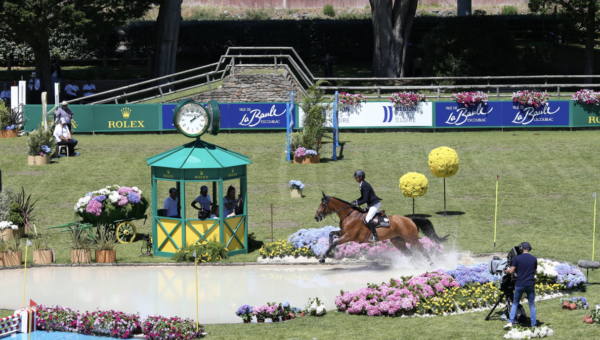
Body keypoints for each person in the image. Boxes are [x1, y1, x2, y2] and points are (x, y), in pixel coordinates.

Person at [504, 242, 537, 330]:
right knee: (532, 305)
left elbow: (511, 271)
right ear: (529, 249)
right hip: (530, 284)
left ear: (521, 248)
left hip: (520, 284)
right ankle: (534, 325)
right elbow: (534, 273)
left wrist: (506, 271)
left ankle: (510, 322)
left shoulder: (517, 258)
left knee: (515, 303)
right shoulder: (534, 259)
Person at [351, 170, 382, 242]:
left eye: (356, 177)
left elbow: (365, 199)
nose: (355, 178)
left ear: (361, 177)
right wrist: (356, 201)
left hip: (374, 204)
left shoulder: (364, 185)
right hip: (370, 204)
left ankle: (375, 236)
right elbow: (363, 197)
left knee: (368, 219)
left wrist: (357, 203)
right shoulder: (362, 184)